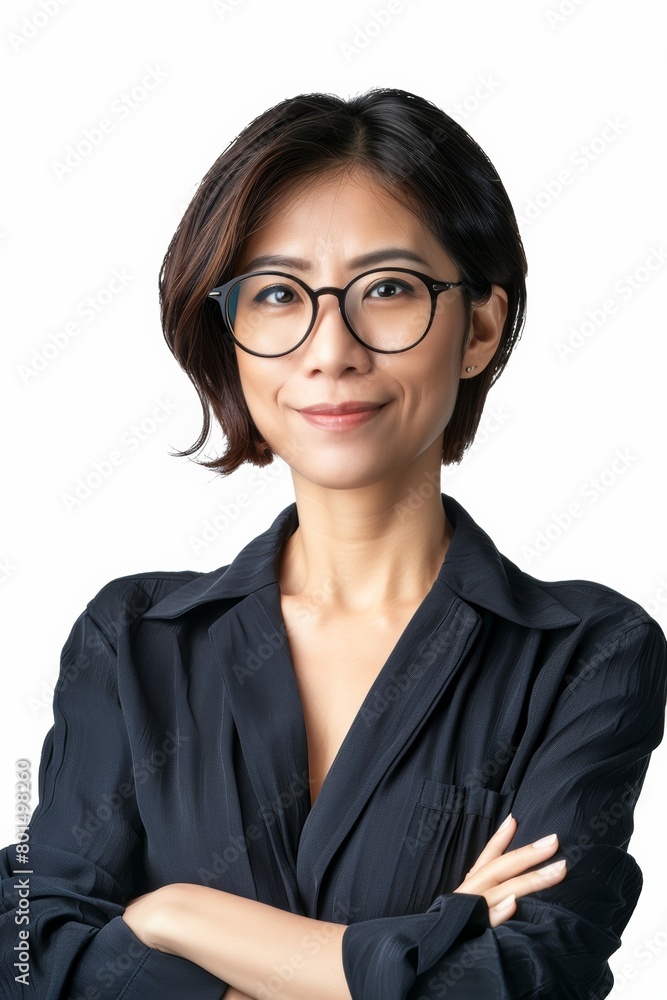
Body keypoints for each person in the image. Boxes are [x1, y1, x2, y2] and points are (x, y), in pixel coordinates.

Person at [1, 88, 666, 1000]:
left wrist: (175, 917)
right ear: (227, 334)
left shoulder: (587, 651)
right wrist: (425, 939)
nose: (329, 349)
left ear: (477, 326)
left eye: (387, 289)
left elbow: (529, 975)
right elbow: (30, 953)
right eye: (277, 294)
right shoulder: (133, 638)